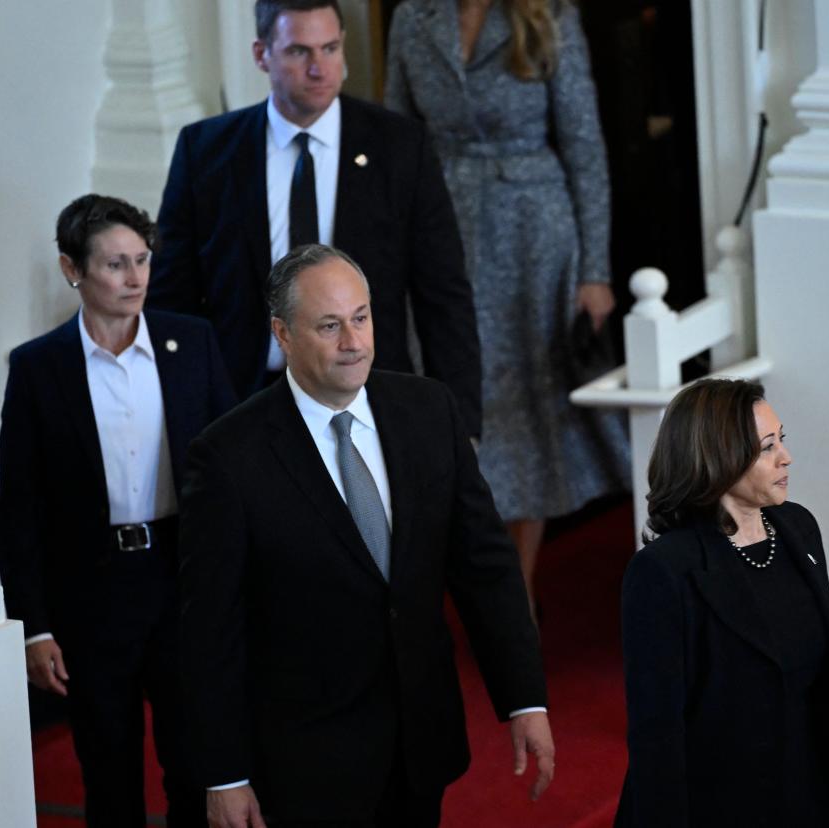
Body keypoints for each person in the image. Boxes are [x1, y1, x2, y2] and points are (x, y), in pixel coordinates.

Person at [178, 244, 554, 828]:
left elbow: (485, 567)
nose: (354, 342)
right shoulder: (228, 458)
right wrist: (224, 773)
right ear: (282, 333)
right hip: (304, 766)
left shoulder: (429, 410)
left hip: (419, 745)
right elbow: (211, 631)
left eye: (361, 317)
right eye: (330, 326)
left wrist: (523, 698)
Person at [0, 194, 236, 827]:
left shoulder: (194, 343)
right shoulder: (37, 368)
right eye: (114, 265)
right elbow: (18, 507)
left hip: (180, 582)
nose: (135, 279)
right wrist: (33, 625)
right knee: (108, 767)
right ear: (72, 269)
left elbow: (232, 475)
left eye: (142, 261)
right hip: (92, 594)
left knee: (194, 760)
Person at [385, 0, 630, 617]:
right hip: (439, 229)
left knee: (523, 417)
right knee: (449, 401)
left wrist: (595, 272)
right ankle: (470, 576)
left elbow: (585, 148)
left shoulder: (549, 17)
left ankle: (512, 599)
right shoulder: (414, 17)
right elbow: (396, 137)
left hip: (533, 240)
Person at [149, 0, 482, 439]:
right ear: (261, 54)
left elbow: (443, 297)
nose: (319, 68)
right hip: (243, 404)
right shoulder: (206, 151)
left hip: (368, 402)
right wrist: (182, 415)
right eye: (298, 51)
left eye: (329, 48)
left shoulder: (399, 147)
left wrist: (459, 426)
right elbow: (173, 301)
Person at [615, 379, 829, 827]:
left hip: (808, 791)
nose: (785, 457)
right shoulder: (664, 572)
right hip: (719, 805)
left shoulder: (798, 528)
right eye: (767, 448)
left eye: (781, 441)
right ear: (719, 456)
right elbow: (657, 738)